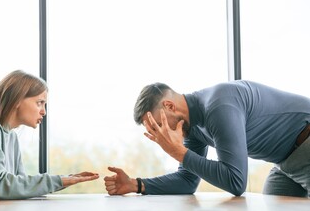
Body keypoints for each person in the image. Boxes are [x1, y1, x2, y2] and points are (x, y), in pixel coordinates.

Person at [104, 80, 310, 197]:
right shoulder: (192, 128)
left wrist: (178, 152)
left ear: (169, 106)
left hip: (306, 146)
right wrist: (135, 184)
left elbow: (236, 182)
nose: (161, 135)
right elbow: (187, 180)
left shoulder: (219, 106)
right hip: (286, 163)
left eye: (159, 125)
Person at [0, 70, 99, 204]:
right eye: (40, 103)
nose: (43, 112)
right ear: (17, 99)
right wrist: (60, 180)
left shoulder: (11, 136)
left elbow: (16, 188)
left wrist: (64, 180)